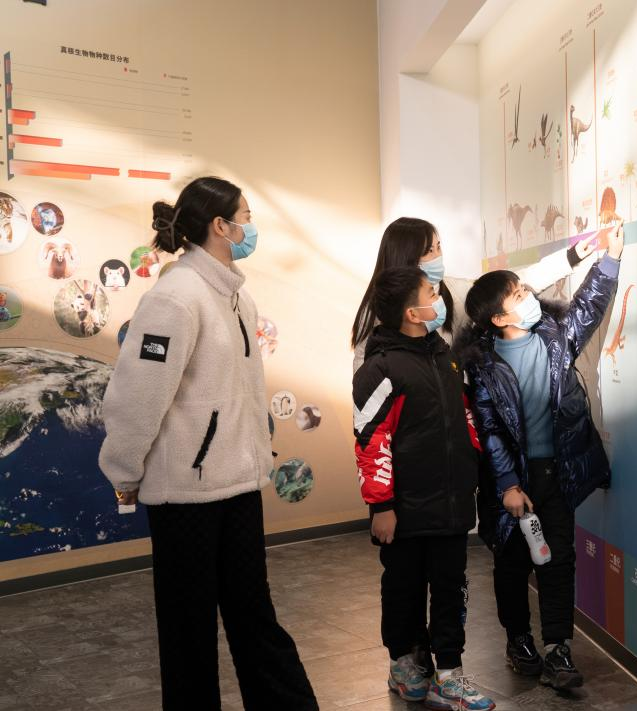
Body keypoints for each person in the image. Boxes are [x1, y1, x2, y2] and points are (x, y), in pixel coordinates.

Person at [98, 177, 317, 710]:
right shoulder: (174, 298)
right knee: (188, 632)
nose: (252, 226)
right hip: (185, 497)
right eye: (247, 215)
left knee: (254, 617)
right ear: (221, 225)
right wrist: (124, 470)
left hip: (238, 485)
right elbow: (138, 395)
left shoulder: (237, 297)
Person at [456, 223, 623, 690]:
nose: (528, 295)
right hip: (511, 484)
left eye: (524, 288)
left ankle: (558, 650)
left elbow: (588, 308)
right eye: (518, 294)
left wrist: (609, 259)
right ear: (498, 318)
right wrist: (508, 485)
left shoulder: (553, 337)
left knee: (558, 561)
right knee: (512, 565)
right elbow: (490, 431)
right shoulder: (482, 366)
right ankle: (519, 641)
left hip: (558, 474)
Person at [351, 267, 495, 710]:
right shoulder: (380, 368)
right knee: (403, 589)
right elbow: (370, 441)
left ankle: (449, 674)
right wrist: (382, 506)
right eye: (432, 292)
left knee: (451, 589)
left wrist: (472, 458)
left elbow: (462, 416)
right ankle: (403, 662)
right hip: (404, 511)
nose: (440, 298)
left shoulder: (445, 356)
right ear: (413, 313)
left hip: (452, 506)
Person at [351, 217, 600, 372]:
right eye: (429, 251)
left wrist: (570, 257)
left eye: (439, 247)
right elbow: (367, 399)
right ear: (406, 259)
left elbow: (508, 288)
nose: (438, 257)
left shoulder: (451, 292)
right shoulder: (375, 317)